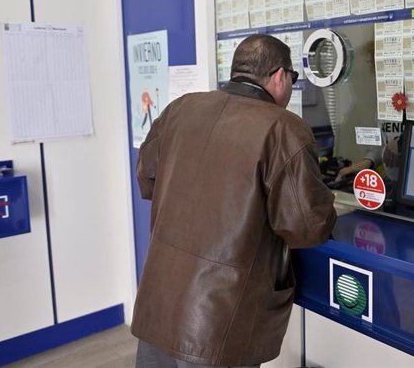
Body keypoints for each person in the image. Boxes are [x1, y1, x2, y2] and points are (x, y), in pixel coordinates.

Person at [131, 34, 337, 367]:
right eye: (293, 78)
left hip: (161, 303)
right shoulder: (284, 128)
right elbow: (306, 227)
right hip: (219, 321)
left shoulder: (180, 109)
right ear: (279, 75)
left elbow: (146, 178)